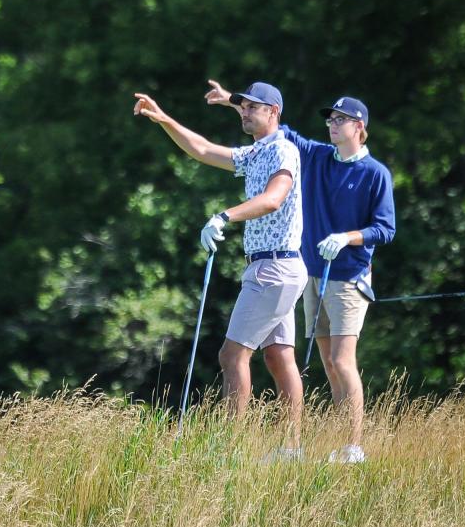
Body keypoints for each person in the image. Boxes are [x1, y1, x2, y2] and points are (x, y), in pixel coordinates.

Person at [207, 82, 396, 464]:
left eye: (341, 119)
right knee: (326, 361)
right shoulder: (319, 156)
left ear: (360, 127)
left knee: (343, 360)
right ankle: (322, 445)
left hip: (350, 275)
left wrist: (347, 238)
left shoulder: (376, 173)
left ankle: (353, 445)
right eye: (331, 118)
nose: (333, 124)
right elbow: (278, 128)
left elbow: (385, 228)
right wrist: (233, 101)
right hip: (312, 273)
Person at [134, 82, 308, 458]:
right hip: (275, 267)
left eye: (252, 107)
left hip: (274, 268)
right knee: (278, 357)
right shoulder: (255, 153)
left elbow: (273, 199)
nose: (244, 112)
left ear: (273, 112)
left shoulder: (283, 150)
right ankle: (291, 449)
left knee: (232, 356)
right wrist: (164, 119)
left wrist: (224, 216)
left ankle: (228, 449)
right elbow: (203, 150)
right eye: (241, 106)